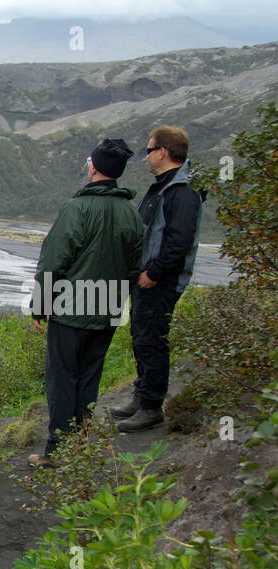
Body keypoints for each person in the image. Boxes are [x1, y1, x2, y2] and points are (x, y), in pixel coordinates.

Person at [27, 138, 144, 467]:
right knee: (90, 378)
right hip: (107, 309)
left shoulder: (76, 209)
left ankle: (57, 451)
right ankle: (78, 445)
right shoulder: (131, 213)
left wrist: (40, 305)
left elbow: (53, 262)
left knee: (63, 379)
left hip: (71, 310)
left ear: (93, 167)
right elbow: (134, 267)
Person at [111, 125, 206, 432]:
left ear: (163, 152)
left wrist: (154, 273)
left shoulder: (182, 191)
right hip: (146, 278)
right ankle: (142, 395)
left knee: (152, 339)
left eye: (149, 150)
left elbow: (179, 241)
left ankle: (151, 407)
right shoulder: (164, 187)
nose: (147, 156)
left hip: (160, 281)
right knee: (142, 337)